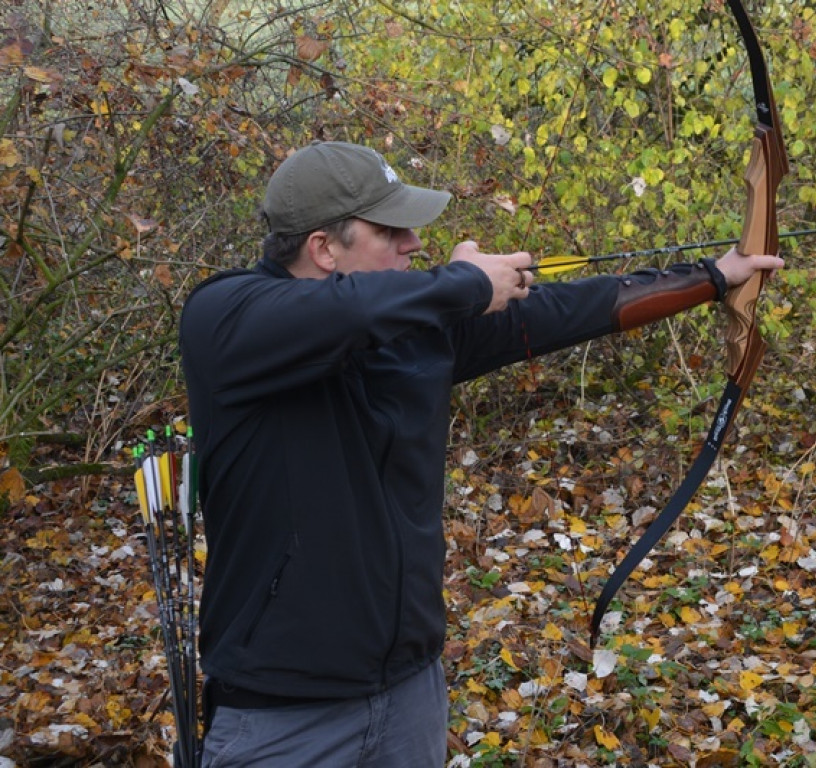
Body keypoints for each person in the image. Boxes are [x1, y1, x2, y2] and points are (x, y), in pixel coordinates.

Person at [179, 140, 783, 767]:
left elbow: (561, 310)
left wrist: (714, 277)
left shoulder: (412, 324)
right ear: (324, 248)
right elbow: (344, 317)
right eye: (391, 230)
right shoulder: (225, 319)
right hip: (282, 718)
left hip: (408, 694)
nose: (414, 242)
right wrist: (463, 283)